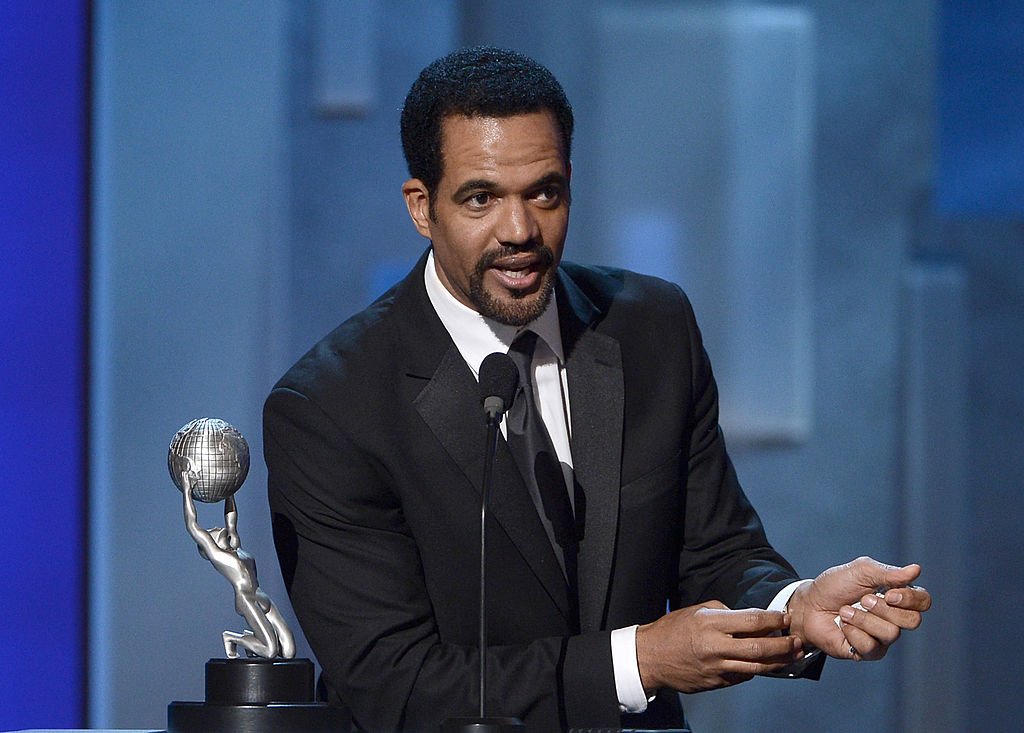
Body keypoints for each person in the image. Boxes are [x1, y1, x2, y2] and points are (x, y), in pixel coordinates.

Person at [264, 46, 930, 732]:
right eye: (481, 198)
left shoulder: (651, 329)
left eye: (543, 193)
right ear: (421, 207)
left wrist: (795, 607)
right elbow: (395, 685)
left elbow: (717, 551)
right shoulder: (330, 408)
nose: (519, 231)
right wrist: (637, 662)